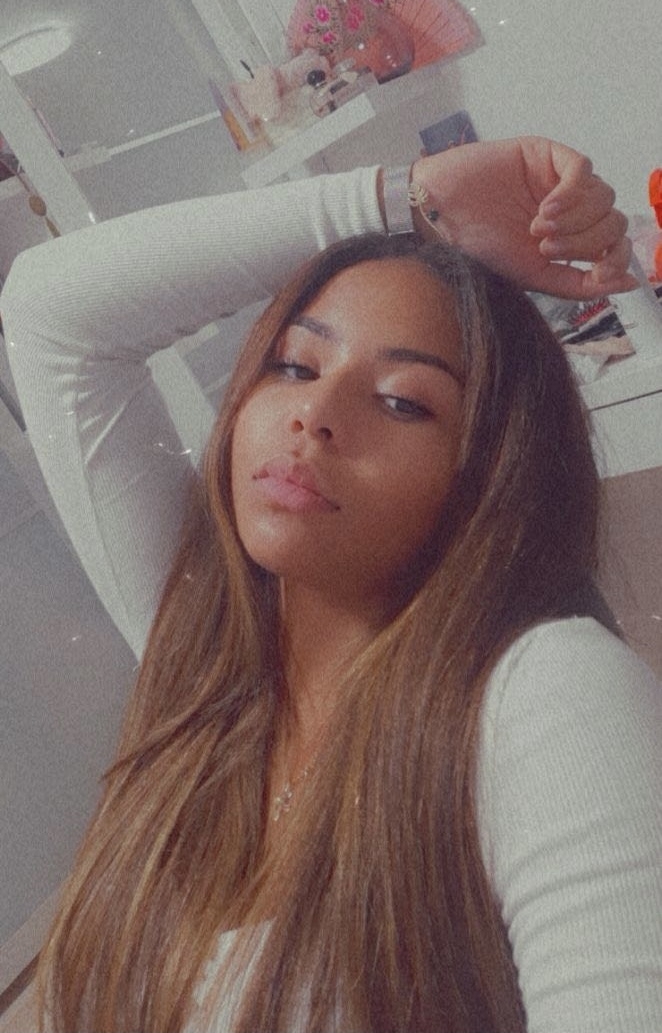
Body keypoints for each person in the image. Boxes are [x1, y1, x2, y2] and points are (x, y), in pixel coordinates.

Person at [1, 137, 660, 1033]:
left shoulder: (543, 696)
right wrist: (407, 200)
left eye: (403, 401)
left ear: (488, 478)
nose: (314, 413)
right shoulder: (203, 659)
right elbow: (52, 308)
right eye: (295, 365)